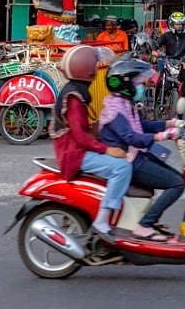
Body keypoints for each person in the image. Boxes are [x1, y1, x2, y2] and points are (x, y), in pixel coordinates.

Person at [98, 56, 185, 241]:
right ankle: (144, 225)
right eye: (138, 82)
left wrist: (171, 123)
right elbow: (132, 138)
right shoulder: (114, 111)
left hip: (137, 156)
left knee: (178, 177)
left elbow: (143, 125)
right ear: (125, 85)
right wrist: (163, 136)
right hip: (130, 161)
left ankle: (149, 220)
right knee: (177, 183)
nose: (142, 86)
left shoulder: (124, 105)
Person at [50, 45, 132, 237]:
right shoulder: (74, 98)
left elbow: (83, 129)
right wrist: (107, 150)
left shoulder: (75, 91)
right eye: (94, 66)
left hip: (73, 148)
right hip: (74, 153)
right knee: (122, 168)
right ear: (85, 69)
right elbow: (80, 136)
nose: (97, 69)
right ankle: (102, 221)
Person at [154, 12, 185, 96]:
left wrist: (184, 60)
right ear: (171, 24)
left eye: (181, 24)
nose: (179, 26)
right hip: (168, 62)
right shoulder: (166, 35)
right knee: (158, 81)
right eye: (177, 24)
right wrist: (154, 51)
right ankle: (156, 101)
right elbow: (157, 44)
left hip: (182, 62)